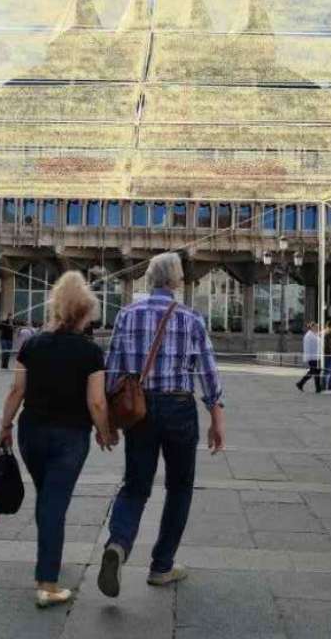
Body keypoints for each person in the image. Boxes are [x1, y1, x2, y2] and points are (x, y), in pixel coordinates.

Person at [98, 251, 225, 598]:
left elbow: (113, 370)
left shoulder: (127, 314)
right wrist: (216, 416)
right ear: (176, 281)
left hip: (139, 410)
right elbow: (207, 370)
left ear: (150, 279)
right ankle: (161, 566)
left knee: (135, 485)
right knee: (180, 487)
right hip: (179, 407)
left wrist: (106, 421)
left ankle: (119, 545)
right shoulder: (191, 318)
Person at [0, 272, 114, 608]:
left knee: (47, 496)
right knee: (55, 502)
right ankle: (47, 583)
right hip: (70, 438)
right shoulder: (90, 352)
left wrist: (4, 426)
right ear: (85, 312)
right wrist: (105, 431)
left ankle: (50, 555)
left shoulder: (31, 345)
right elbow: (96, 402)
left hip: (30, 434)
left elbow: (17, 390)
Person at [296, 322, 322, 392]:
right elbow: (314, 345)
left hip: (315, 356)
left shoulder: (314, 334)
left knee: (316, 371)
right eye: (316, 327)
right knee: (313, 371)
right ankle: (300, 383)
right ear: (312, 327)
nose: (317, 328)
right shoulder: (309, 335)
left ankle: (317, 388)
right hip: (312, 357)